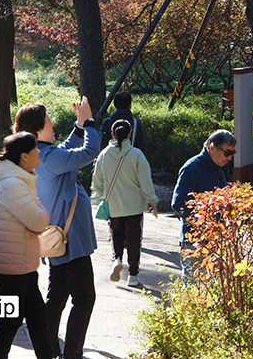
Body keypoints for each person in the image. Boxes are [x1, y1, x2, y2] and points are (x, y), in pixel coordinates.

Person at [14, 97, 102, 359]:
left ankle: (49, 352)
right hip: (70, 240)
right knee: (84, 299)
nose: (53, 124)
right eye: (49, 121)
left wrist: (78, 127)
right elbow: (88, 153)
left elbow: (65, 150)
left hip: (57, 237)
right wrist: (88, 123)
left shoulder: (36, 154)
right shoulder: (48, 158)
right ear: (38, 130)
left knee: (57, 298)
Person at [0, 132, 80, 359]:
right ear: (24, 157)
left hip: (21, 261)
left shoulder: (17, 179)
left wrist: (39, 212)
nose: (39, 154)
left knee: (37, 317)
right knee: (11, 319)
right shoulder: (12, 184)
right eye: (35, 150)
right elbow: (38, 220)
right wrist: (43, 213)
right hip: (10, 264)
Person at [91, 120, 158, 288]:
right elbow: (145, 181)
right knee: (134, 241)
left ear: (112, 135)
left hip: (113, 207)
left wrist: (99, 199)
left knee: (116, 236)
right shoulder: (136, 154)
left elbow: (97, 180)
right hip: (134, 207)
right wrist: (151, 201)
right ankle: (133, 276)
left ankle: (117, 260)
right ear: (130, 134)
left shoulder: (104, 155)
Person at [171, 129, 235, 281]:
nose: (230, 157)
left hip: (214, 239)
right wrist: (201, 225)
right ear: (212, 147)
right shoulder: (192, 168)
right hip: (194, 240)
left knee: (210, 287)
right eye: (227, 152)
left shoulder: (219, 167)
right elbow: (178, 202)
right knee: (194, 286)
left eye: (233, 153)